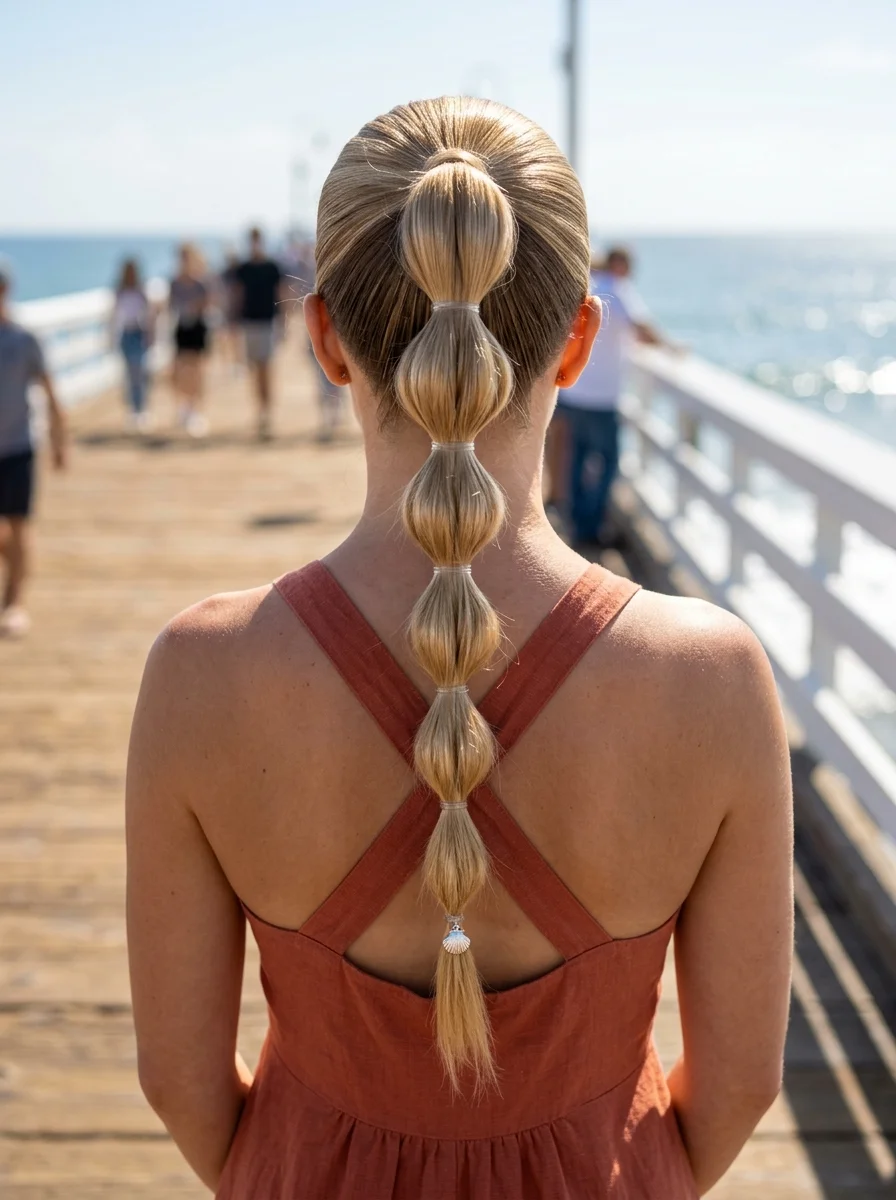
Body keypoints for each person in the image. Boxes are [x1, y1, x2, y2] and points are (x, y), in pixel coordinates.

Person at [127, 98, 793, 1199]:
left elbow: (179, 1082)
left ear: (329, 339)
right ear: (576, 341)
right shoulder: (710, 681)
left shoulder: (200, 675)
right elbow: (738, 1087)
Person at [555, 247, 671, 549]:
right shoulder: (618, 292)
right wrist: (672, 349)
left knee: (578, 459)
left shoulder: (586, 286)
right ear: (619, 265)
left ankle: (576, 520)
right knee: (608, 462)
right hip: (601, 398)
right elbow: (643, 330)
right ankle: (590, 528)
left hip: (573, 392)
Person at [0, 263, 67, 638]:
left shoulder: (24, 339)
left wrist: (60, 441)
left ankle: (14, 602)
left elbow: (50, 390)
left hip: (17, 446)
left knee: (19, 525)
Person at [235, 228, 283, 441]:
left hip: (267, 322)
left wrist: (283, 323)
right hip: (249, 322)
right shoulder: (243, 268)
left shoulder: (272, 267)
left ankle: (266, 411)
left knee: (265, 367)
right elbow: (238, 295)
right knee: (255, 369)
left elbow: (280, 294)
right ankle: (260, 410)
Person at [169, 244, 210, 439]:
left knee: (196, 369)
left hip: (196, 329)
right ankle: (184, 406)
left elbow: (208, 304)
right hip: (181, 329)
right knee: (179, 370)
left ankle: (194, 409)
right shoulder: (174, 282)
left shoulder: (200, 282)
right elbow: (171, 306)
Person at [112, 259, 154, 432]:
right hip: (126, 333)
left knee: (140, 372)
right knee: (129, 373)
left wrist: (150, 334)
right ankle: (133, 410)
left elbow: (149, 313)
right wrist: (112, 336)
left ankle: (141, 409)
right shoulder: (120, 291)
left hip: (138, 332)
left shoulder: (141, 290)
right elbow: (114, 314)